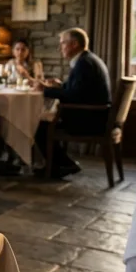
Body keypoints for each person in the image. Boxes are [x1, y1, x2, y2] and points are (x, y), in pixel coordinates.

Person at [34, 28, 112, 178]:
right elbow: (80, 89)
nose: (60, 48)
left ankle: (62, 165)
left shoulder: (84, 64)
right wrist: (60, 85)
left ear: (74, 44)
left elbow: (74, 96)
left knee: (39, 126)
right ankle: (60, 165)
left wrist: (45, 90)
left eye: (63, 43)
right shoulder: (88, 59)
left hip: (89, 120)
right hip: (96, 116)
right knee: (43, 123)